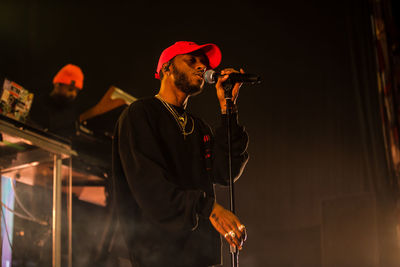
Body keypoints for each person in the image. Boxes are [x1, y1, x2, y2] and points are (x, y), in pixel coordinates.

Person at [112, 41, 249, 267]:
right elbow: (150, 186)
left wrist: (228, 109)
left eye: (204, 63)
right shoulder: (140, 114)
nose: (201, 67)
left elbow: (225, 172)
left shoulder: (199, 127)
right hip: (159, 255)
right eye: (191, 60)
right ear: (167, 68)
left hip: (199, 255)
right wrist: (209, 208)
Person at [28, 63, 84, 139]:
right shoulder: (37, 103)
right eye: (70, 89)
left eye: (77, 92)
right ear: (57, 85)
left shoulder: (71, 117)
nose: (73, 94)